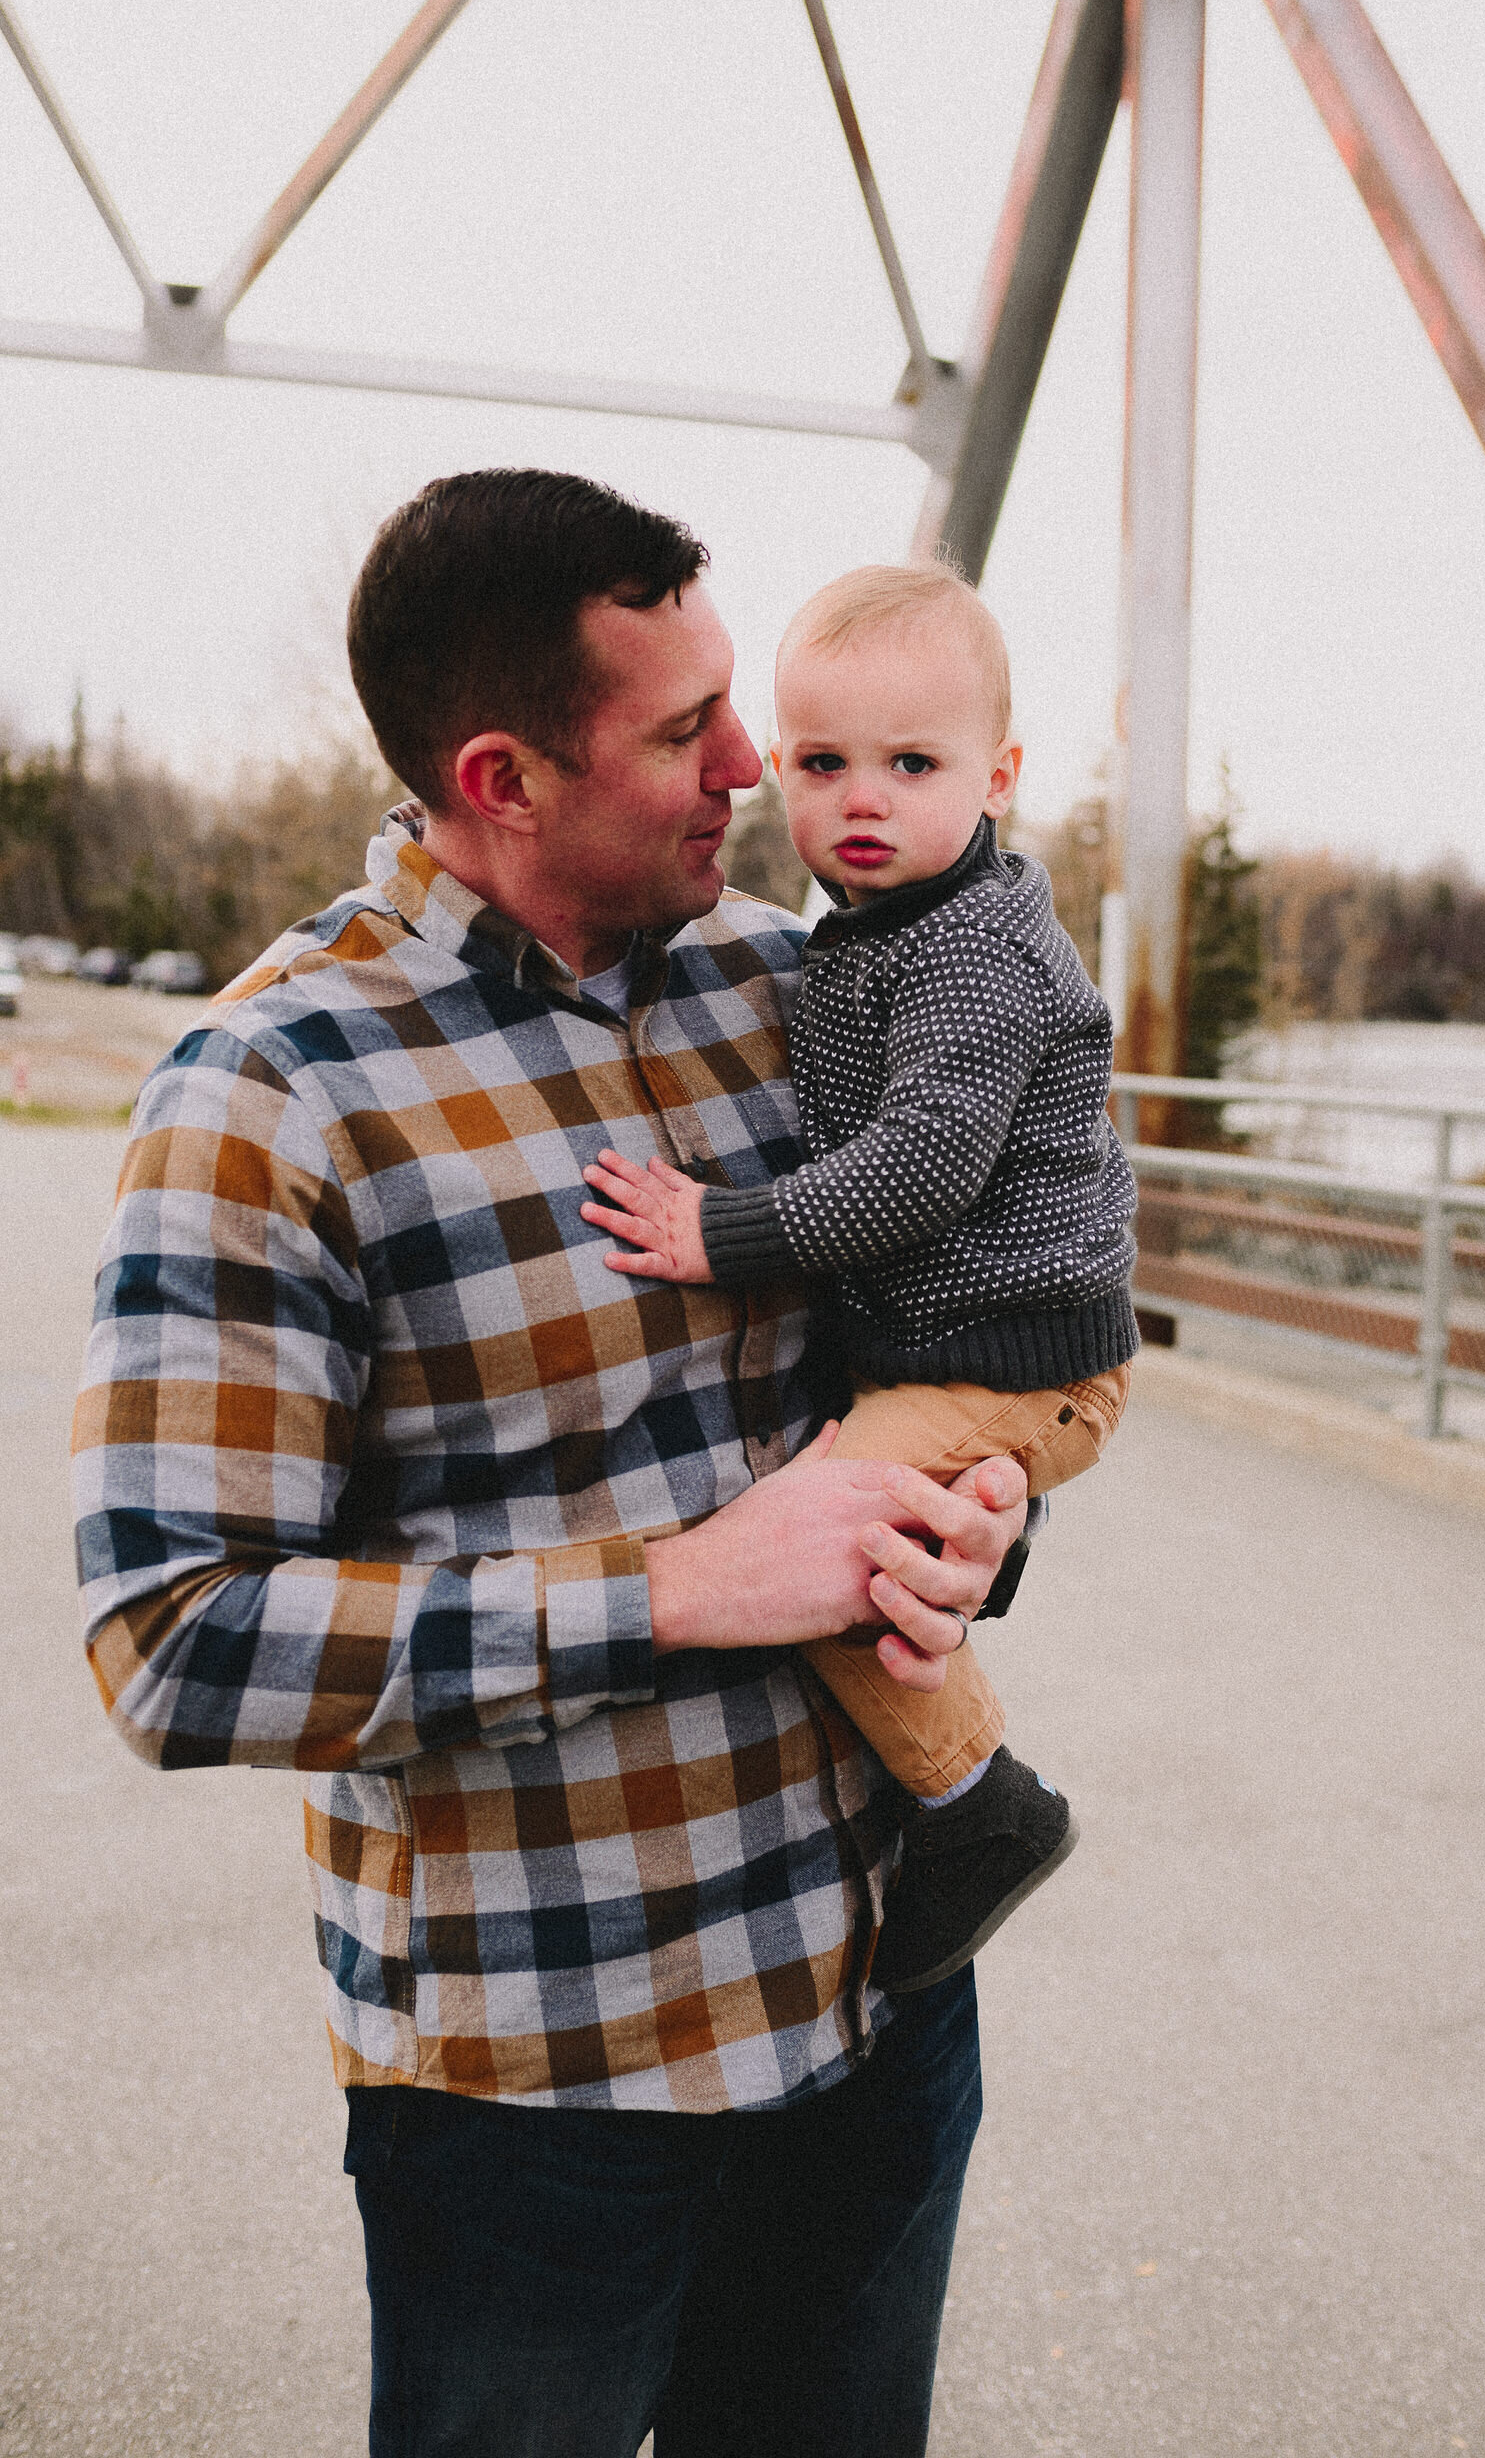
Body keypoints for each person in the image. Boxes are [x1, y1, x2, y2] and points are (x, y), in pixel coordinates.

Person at [71, 470, 1030, 2458]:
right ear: (500, 778)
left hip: (872, 2008)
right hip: (544, 2098)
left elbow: (931, 1364)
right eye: (685, 730)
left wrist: (976, 1516)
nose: (755, 761)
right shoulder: (268, 1097)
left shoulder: (798, 983)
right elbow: (174, 1638)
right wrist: (677, 1591)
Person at [579, 563, 1138, 1998]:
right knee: (871, 1532)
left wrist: (723, 1234)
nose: (860, 800)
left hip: (1019, 1359)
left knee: (824, 1551)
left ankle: (977, 1801)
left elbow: (923, 1167)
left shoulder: (971, 954)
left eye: (911, 764)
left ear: (999, 775)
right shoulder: (867, 934)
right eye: (822, 763)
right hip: (960, 1350)